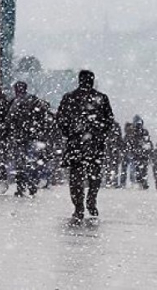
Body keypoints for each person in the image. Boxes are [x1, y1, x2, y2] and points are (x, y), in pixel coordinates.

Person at [56, 70, 116, 221]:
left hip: (77, 143)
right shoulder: (100, 98)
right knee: (93, 175)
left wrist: (70, 132)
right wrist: (99, 132)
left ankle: (79, 206)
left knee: (77, 177)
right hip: (93, 143)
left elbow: (61, 119)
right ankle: (89, 200)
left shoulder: (69, 98)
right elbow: (109, 120)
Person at [7, 81, 51, 197]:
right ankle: (32, 186)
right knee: (31, 163)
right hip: (32, 137)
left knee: (21, 163)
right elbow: (44, 112)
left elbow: (9, 120)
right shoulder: (33, 100)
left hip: (20, 138)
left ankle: (21, 187)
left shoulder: (14, 102)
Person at [125, 115, 153, 189]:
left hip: (140, 154)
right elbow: (131, 142)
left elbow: (147, 142)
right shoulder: (135, 132)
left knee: (141, 169)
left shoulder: (141, 131)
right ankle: (141, 182)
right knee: (139, 169)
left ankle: (142, 182)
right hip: (138, 154)